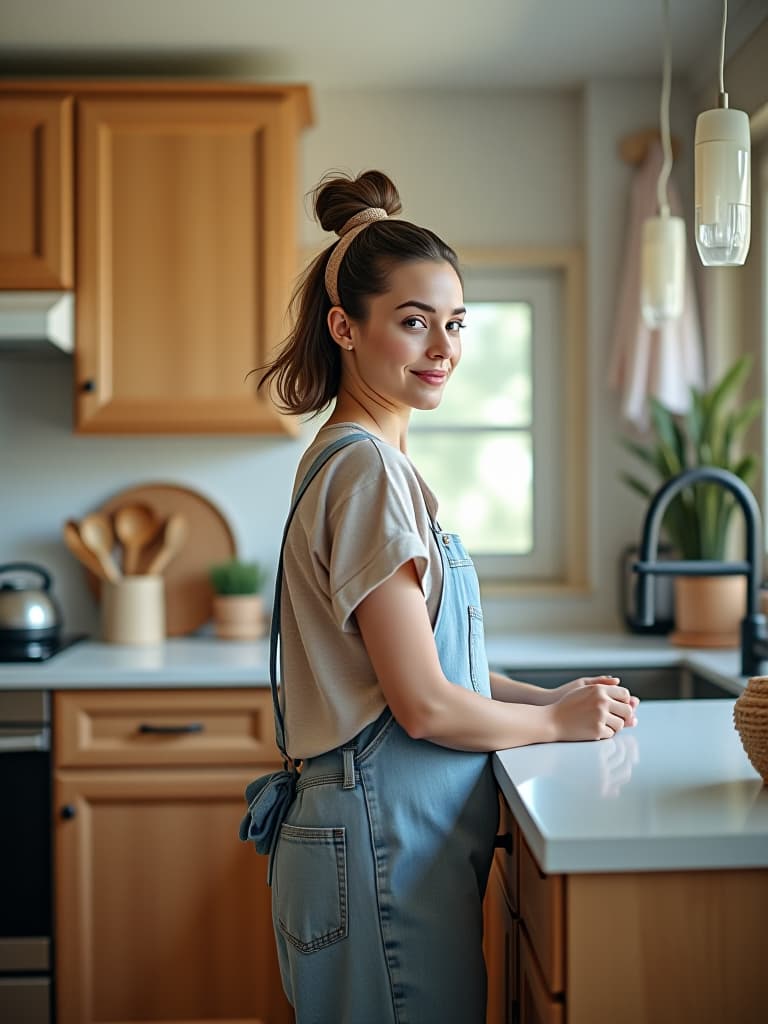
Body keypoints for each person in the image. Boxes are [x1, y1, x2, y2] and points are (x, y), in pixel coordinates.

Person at [240, 169, 639, 1024]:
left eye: (455, 323)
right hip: (380, 850)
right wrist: (553, 725)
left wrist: (555, 700)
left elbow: (431, 667)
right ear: (345, 327)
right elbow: (421, 707)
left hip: (380, 846)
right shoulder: (367, 471)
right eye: (414, 321)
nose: (443, 347)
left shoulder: (358, 460)